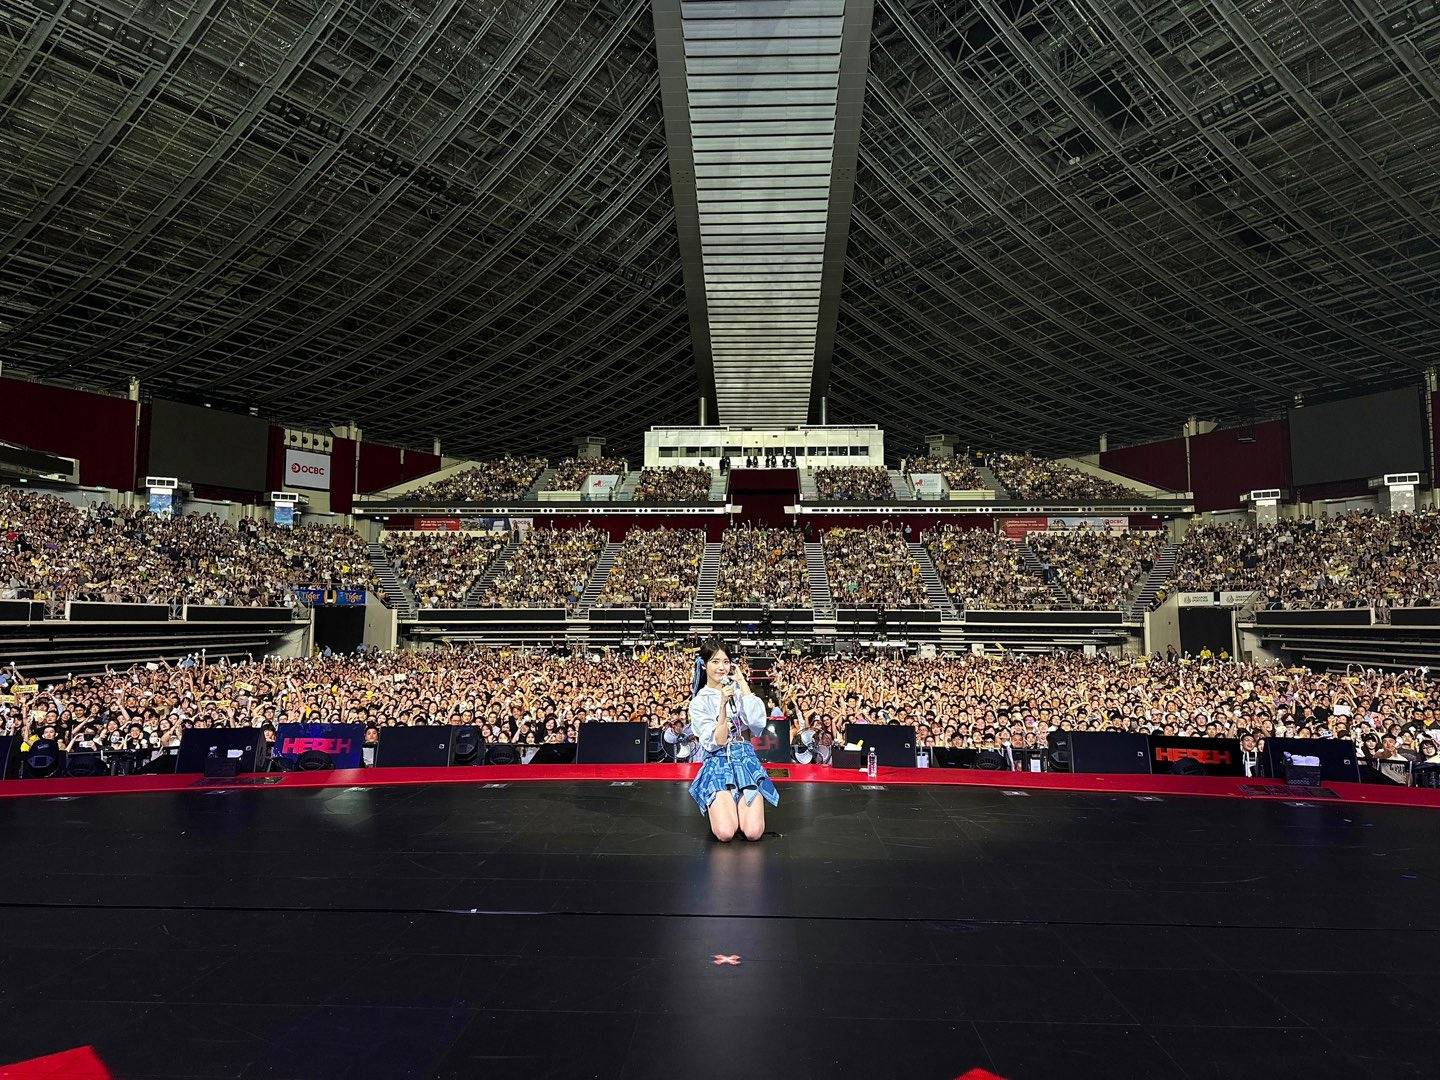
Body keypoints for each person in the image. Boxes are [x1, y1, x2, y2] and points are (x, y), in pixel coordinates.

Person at [687, 638, 778, 842]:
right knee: (726, 832)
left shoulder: (738, 691)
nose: (722, 667)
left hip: (745, 759)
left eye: (726, 661)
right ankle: (723, 803)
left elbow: (757, 724)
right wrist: (722, 707)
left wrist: (742, 683)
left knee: (753, 832)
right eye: (715, 661)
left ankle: (738, 803)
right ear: (704, 664)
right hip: (718, 762)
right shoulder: (700, 701)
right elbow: (716, 741)